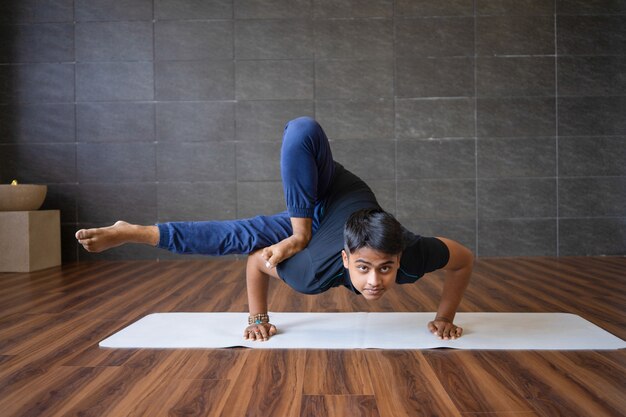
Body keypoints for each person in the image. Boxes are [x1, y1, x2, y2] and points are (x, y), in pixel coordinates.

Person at [75, 117, 473, 342]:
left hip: (333, 222)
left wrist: (445, 315)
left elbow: (463, 261)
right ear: (346, 258)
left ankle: (135, 230)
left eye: (385, 268)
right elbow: (301, 132)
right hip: (323, 197)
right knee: (301, 129)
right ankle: (299, 229)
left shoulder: (412, 252)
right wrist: (256, 317)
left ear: (399, 257)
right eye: (365, 268)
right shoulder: (312, 273)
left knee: (235, 235)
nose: (374, 281)